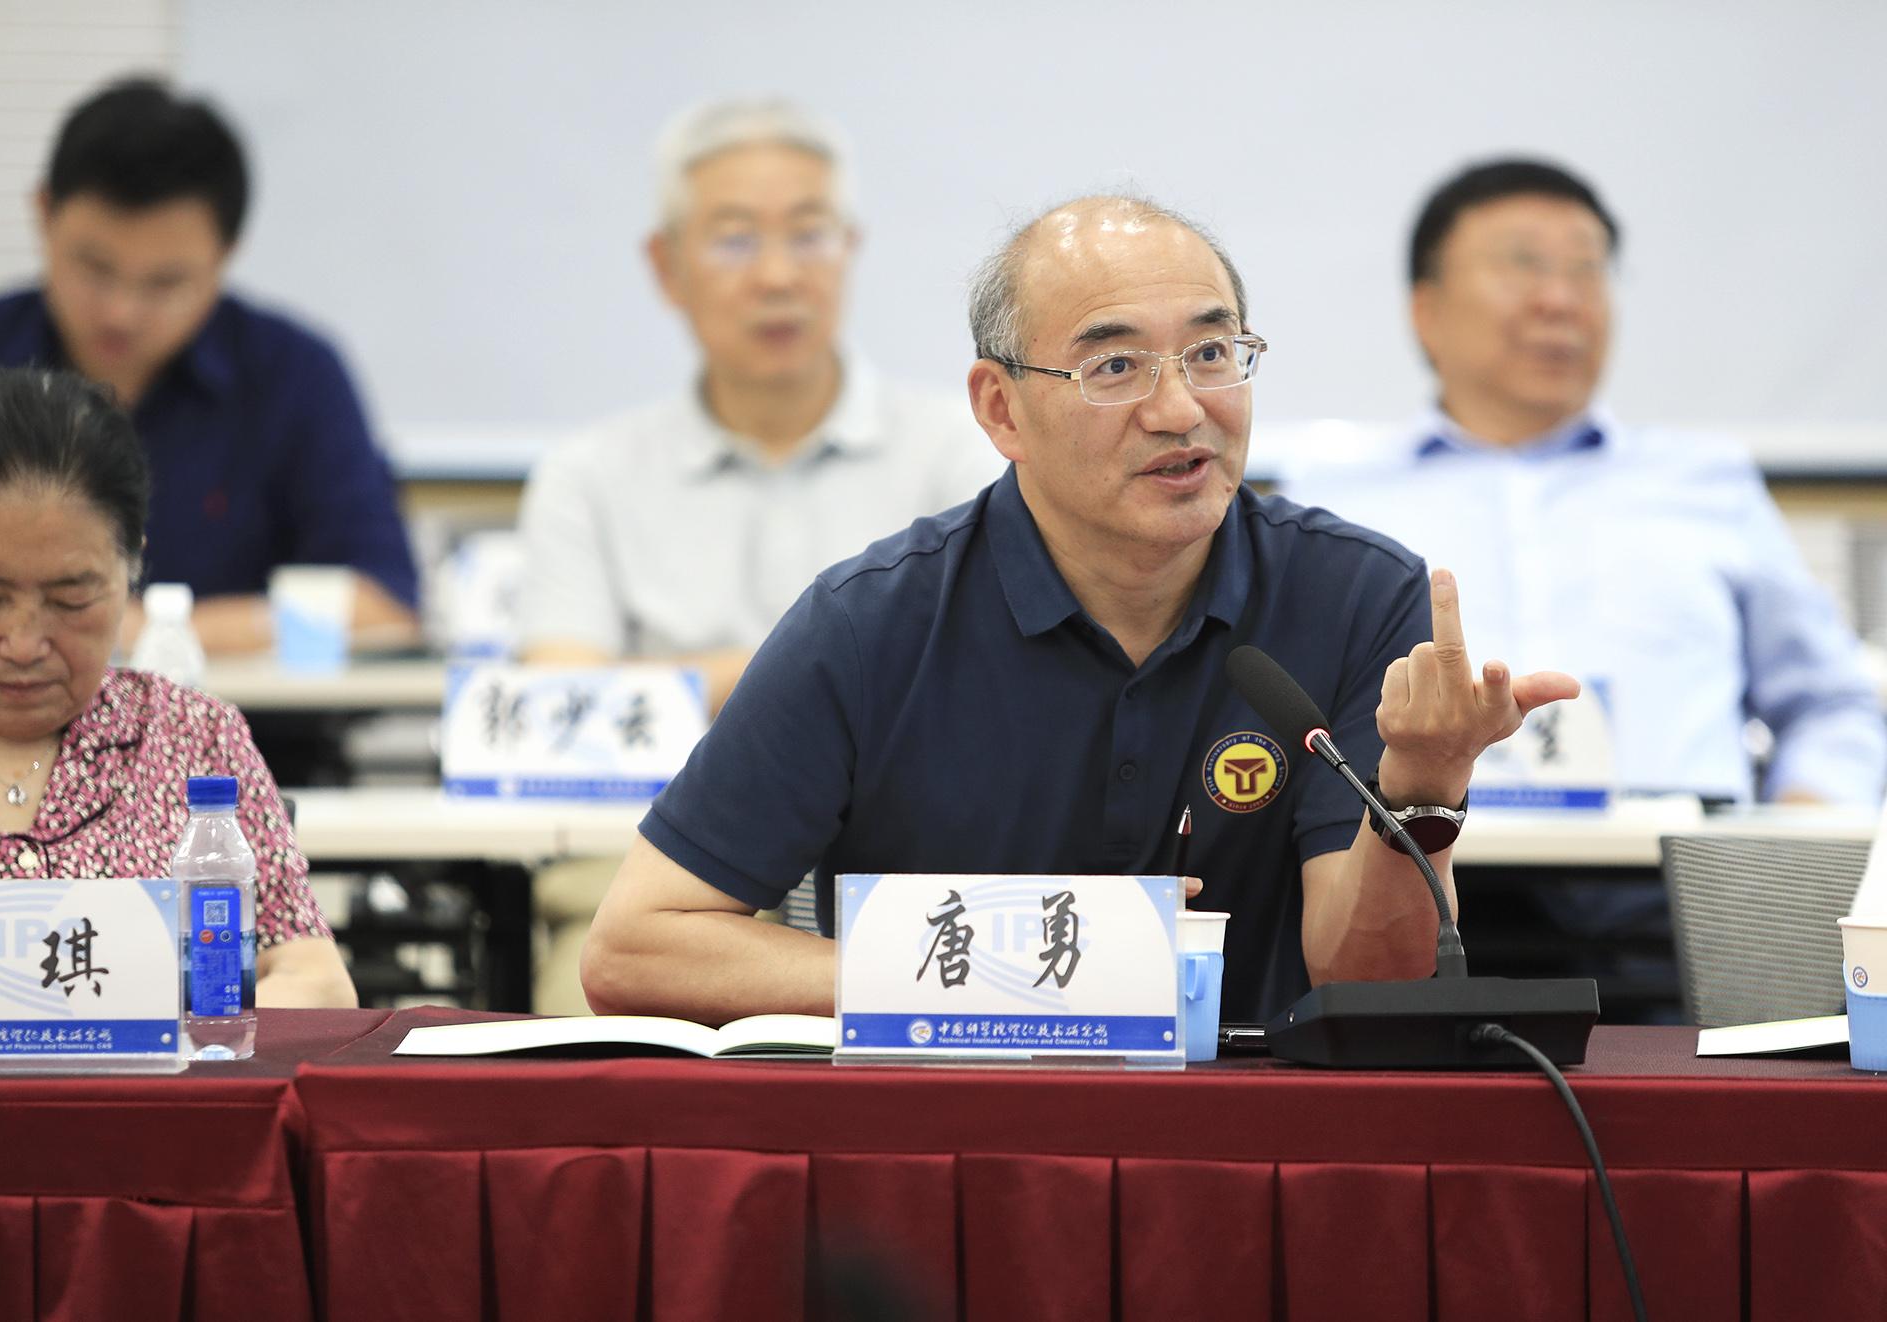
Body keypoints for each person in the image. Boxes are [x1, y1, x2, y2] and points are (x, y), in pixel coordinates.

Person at [580, 195, 1578, 1027]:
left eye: (1211, 353)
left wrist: (1422, 788)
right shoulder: (872, 621)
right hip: (943, 1138)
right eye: (1114, 367)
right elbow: (635, 947)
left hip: (1253, 1136)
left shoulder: (1354, 596)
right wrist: (1009, 973)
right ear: (1000, 408)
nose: (1180, 409)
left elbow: (1369, 985)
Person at [1280, 158, 1886, 808]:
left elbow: (1833, 705)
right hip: (1408, 851)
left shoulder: (1707, 482)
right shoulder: (1331, 499)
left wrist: (1794, 833)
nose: (1560, 301)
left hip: (1675, 859)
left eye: (1586, 270)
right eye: (1523, 266)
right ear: (1427, 311)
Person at [0, 78, 420, 656]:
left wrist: (151, 632)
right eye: (95, 267)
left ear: (226, 254)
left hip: (239, 712)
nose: (121, 312)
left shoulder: (296, 378)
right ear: (43, 214)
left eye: (165, 283)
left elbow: (382, 604)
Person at [0, 366, 356, 1007]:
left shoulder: (193, 740)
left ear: (131, 567)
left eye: (71, 598)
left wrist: (156, 1033)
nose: (24, 643)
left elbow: (315, 982)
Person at [515, 98, 1000, 716]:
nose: (776, 276)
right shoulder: (587, 476)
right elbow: (561, 703)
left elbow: (989, 676)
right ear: (666, 267)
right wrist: (851, 666)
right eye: (735, 241)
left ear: (850, 248)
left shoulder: (964, 450)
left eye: (809, 235)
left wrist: (675, 685)